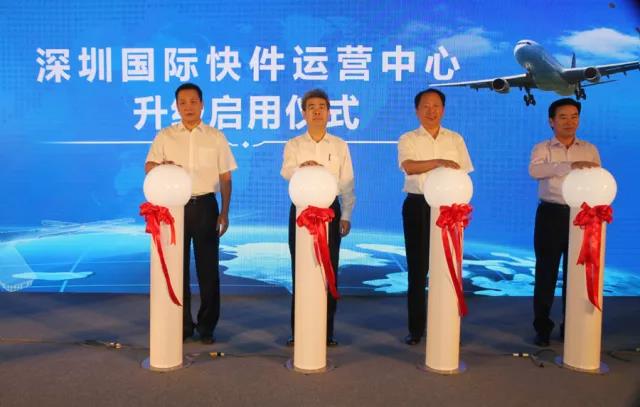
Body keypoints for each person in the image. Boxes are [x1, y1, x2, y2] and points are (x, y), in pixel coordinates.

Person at [145, 83, 237, 345]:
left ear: (202, 105)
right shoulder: (166, 135)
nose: (188, 107)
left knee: (208, 271)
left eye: (193, 102)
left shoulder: (215, 136)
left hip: (206, 206)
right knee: (177, 269)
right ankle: (182, 325)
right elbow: (149, 165)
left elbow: (226, 177)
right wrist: (161, 167)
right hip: (174, 209)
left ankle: (207, 327)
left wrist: (225, 212)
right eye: (183, 102)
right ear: (176, 106)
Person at [398, 88, 473, 345]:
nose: (431, 111)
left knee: (447, 268)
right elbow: (409, 166)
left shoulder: (455, 139)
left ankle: (446, 326)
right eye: (426, 106)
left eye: (436, 106)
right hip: (417, 206)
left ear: (443, 109)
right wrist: (439, 162)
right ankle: (416, 329)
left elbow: (463, 172)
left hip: (449, 209)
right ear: (417, 110)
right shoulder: (408, 138)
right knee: (418, 270)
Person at [281, 89, 355, 347]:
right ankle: (299, 330)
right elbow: (286, 171)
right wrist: (302, 168)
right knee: (301, 268)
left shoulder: (339, 145)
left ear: (329, 112)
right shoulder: (294, 144)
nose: (316, 111)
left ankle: (326, 331)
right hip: (302, 211)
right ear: (303, 113)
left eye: (322, 107)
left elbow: (347, 182)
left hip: (330, 211)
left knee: (328, 268)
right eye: (311, 107)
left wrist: (346, 214)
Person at [529, 98, 600, 347]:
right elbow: (535, 171)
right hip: (551, 215)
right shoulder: (542, 148)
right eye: (563, 117)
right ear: (551, 121)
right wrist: (570, 165)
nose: (569, 122)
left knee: (577, 275)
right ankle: (542, 328)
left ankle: (571, 326)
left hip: (582, 217)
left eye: (574, 116)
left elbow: (598, 179)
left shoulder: (589, 149)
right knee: (546, 272)